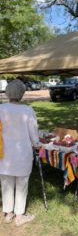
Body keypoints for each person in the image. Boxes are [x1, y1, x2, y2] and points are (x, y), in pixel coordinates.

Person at [0, 79, 39, 226]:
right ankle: (19, 216)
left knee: (6, 183)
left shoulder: (0, 108)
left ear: (7, 93)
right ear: (22, 94)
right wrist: (37, 144)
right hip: (22, 153)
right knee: (21, 184)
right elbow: (34, 133)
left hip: (4, 153)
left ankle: (8, 213)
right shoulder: (27, 111)